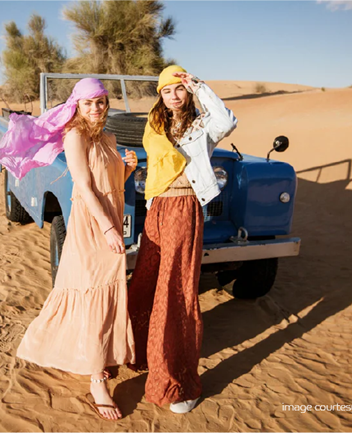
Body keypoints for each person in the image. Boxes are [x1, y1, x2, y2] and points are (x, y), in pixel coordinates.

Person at [0, 78, 138, 421]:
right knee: (91, 292)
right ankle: (95, 379)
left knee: (108, 291)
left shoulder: (108, 138)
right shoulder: (74, 136)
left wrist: (128, 168)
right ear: (77, 105)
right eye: (88, 103)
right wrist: (107, 229)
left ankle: (99, 356)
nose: (96, 108)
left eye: (101, 102)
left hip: (111, 216)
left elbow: (111, 185)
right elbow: (86, 189)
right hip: (92, 224)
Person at [127, 65, 237, 414]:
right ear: (160, 94)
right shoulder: (155, 124)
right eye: (167, 90)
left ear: (187, 92)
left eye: (179, 89)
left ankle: (179, 381)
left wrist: (199, 85)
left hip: (185, 208)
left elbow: (227, 120)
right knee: (147, 283)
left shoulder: (201, 125)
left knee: (177, 292)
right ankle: (143, 353)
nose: (173, 96)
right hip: (157, 208)